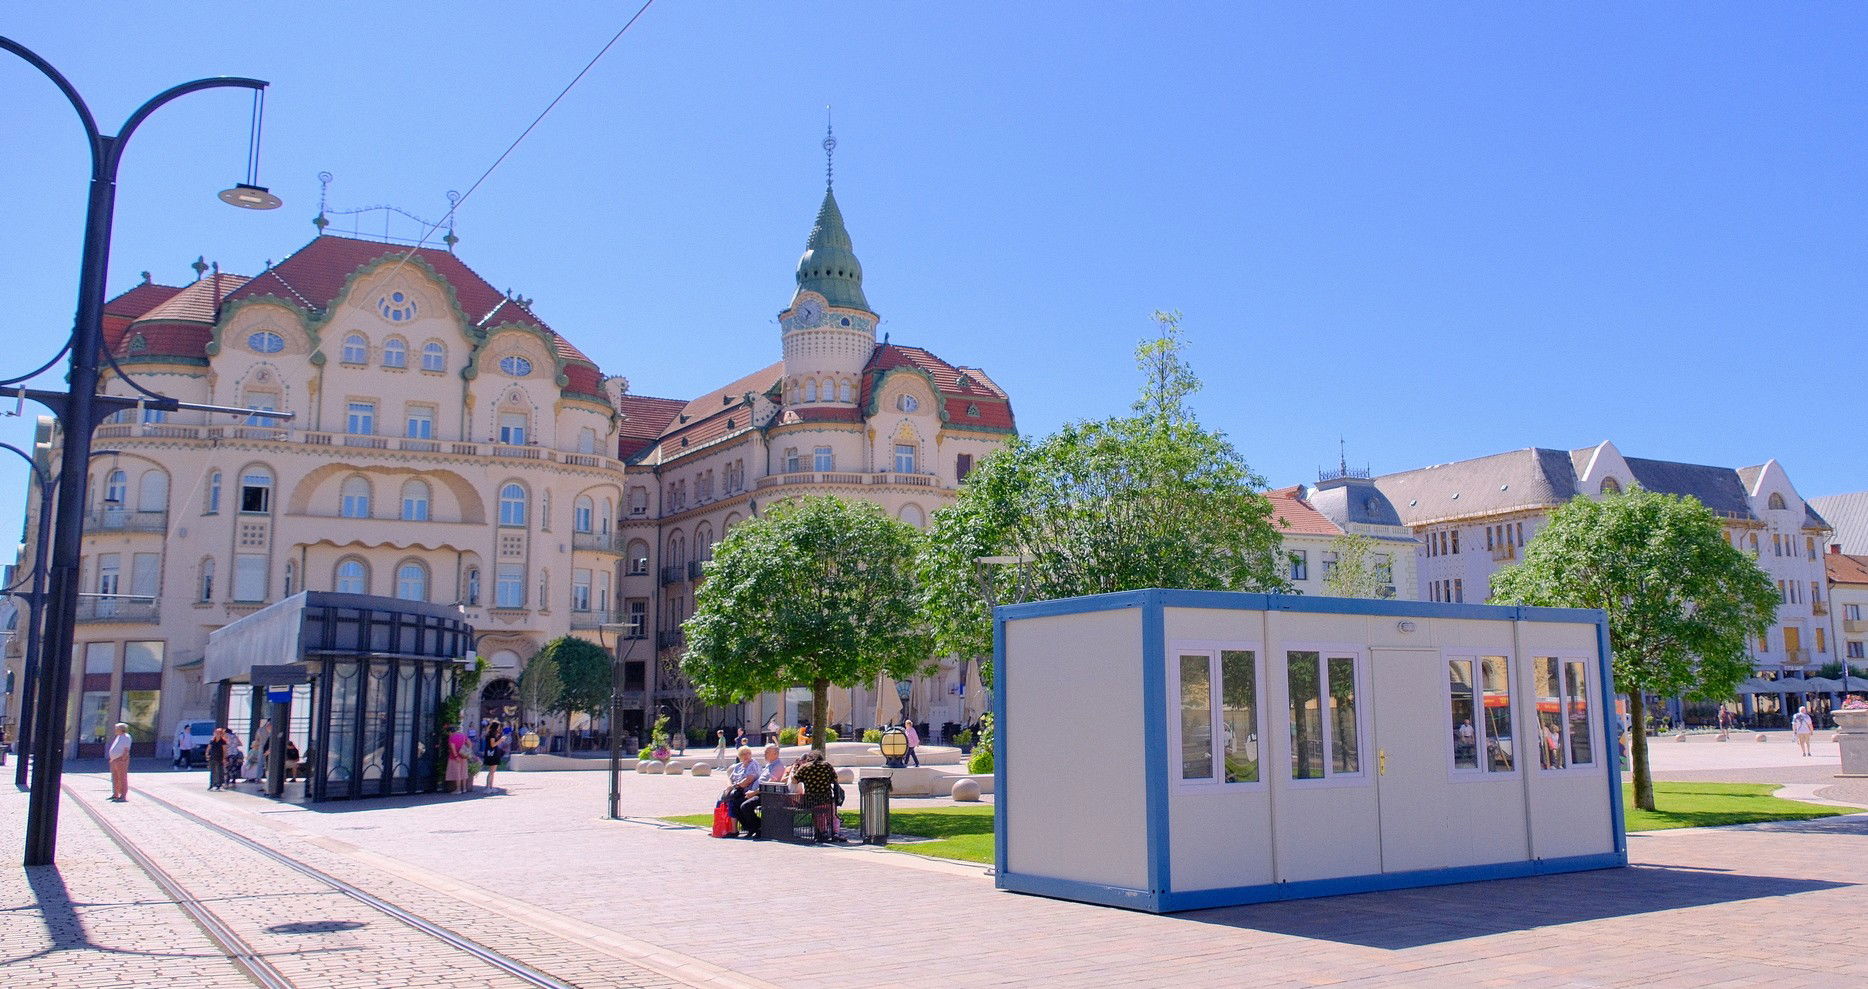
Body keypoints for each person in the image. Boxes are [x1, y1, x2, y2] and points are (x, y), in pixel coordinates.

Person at [791, 751, 844, 843]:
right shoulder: (827, 765)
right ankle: (835, 833)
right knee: (833, 815)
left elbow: (794, 781)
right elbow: (835, 779)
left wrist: (795, 769)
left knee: (819, 814)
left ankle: (822, 832)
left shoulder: (805, 767)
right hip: (826, 798)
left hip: (811, 799)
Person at [725, 746, 763, 837]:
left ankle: (754, 827)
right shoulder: (738, 766)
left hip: (750, 792)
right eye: (743, 754)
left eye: (748, 753)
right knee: (724, 801)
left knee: (739, 804)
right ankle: (745, 828)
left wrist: (735, 786)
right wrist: (729, 786)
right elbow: (729, 778)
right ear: (739, 756)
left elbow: (749, 779)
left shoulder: (753, 764)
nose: (746, 756)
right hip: (739, 792)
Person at [106, 722, 132, 802]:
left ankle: (123, 795)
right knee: (114, 777)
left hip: (121, 760)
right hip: (114, 760)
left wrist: (122, 759)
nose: (115, 730)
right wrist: (112, 758)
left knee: (122, 778)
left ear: (122, 729)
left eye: (117, 728)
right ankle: (115, 794)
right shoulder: (118, 737)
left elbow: (126, 750)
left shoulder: (126, 737)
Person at [482, 719, 509, 790]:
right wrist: (501, 740)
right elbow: (493, 744)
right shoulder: (491, 735)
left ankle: (490, 786)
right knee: (491, 771)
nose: (499, 728)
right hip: (492, 753)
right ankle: (488, 787)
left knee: (492, 771)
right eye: (498, 726)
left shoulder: (492, 734)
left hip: (492, 752)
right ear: (495, 727)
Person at [446, 723, 470, 793]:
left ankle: (458, 789)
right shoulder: (463, 735)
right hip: (464, 756)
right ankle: (464, 788)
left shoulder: (452, 737)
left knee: (457, 773)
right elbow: (469, 743)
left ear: (450, 732)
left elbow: (453, 748)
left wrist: (456, 756)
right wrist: (467, 751)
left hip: (455, 758)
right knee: (464, 772)